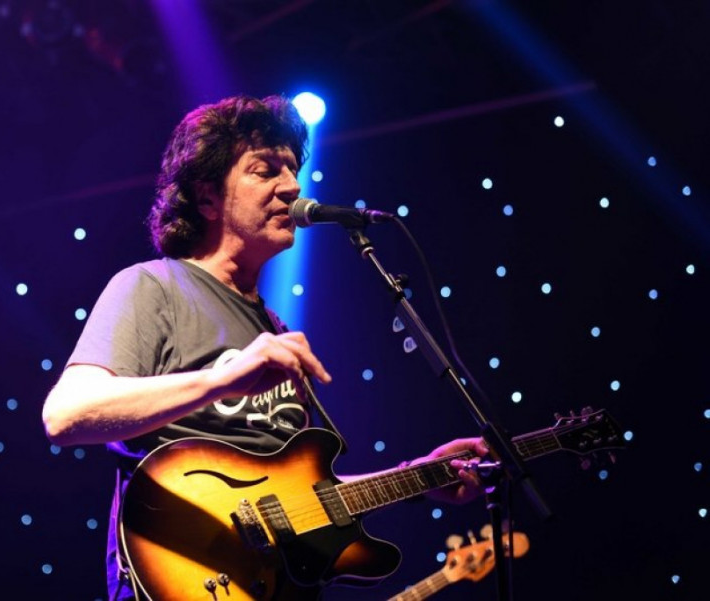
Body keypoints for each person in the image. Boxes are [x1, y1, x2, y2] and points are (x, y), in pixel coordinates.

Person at [41, 94, 490, 600]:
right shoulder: (153, 286)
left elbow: (290, 499)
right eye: (265, 170)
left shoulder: (274, 329)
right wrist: (224, 379)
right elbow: (65, 416)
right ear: (207, 198)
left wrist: (418, 477)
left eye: (294, 169)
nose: (292, 185)